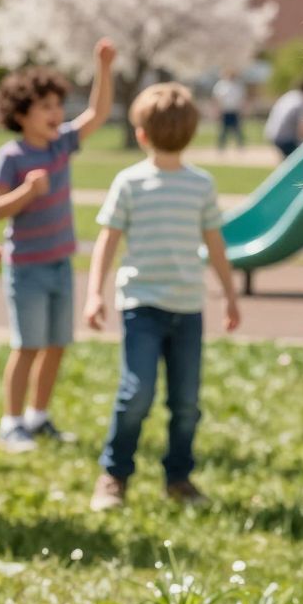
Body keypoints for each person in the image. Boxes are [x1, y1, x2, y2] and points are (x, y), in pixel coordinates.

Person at [83, 82, 243, 512]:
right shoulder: (129, 182)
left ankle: (178, 478)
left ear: (140, 133)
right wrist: (94, 294)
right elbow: (107, 241)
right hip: (141, 306)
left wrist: (230, 295)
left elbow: (214, 245)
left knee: (186, 404)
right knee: (136, 394)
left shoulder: (200, 185)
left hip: (188, 309)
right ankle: (114, 476)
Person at [0, 40, 116, 452]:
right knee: (27, 346)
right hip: (26, 267)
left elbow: (97, 114)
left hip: (61, 263)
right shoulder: (11, 156)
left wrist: (103, 66)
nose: (56, 114)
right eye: (45, 107)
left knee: (57, 344)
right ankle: (11, 422)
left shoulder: (61, 144)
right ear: (21, 114)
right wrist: (25, 192)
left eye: (58, 106)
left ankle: (37, 418)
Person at [264, 80, 303, 158]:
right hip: (285, 137)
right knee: (301, 159)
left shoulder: (291, 95)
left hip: (271, 132)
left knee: (289, 159)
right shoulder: (302, 102)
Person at [213, 72, 247, 151]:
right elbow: (216, 98)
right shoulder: (221, 85)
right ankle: (221, 147)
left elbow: (242, 98)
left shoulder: (238, 86)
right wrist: (216, 110)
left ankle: (240, 146)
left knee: (238, 130)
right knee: (223, 131)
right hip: (224, 111)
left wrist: (243, 109)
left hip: (235, 110)